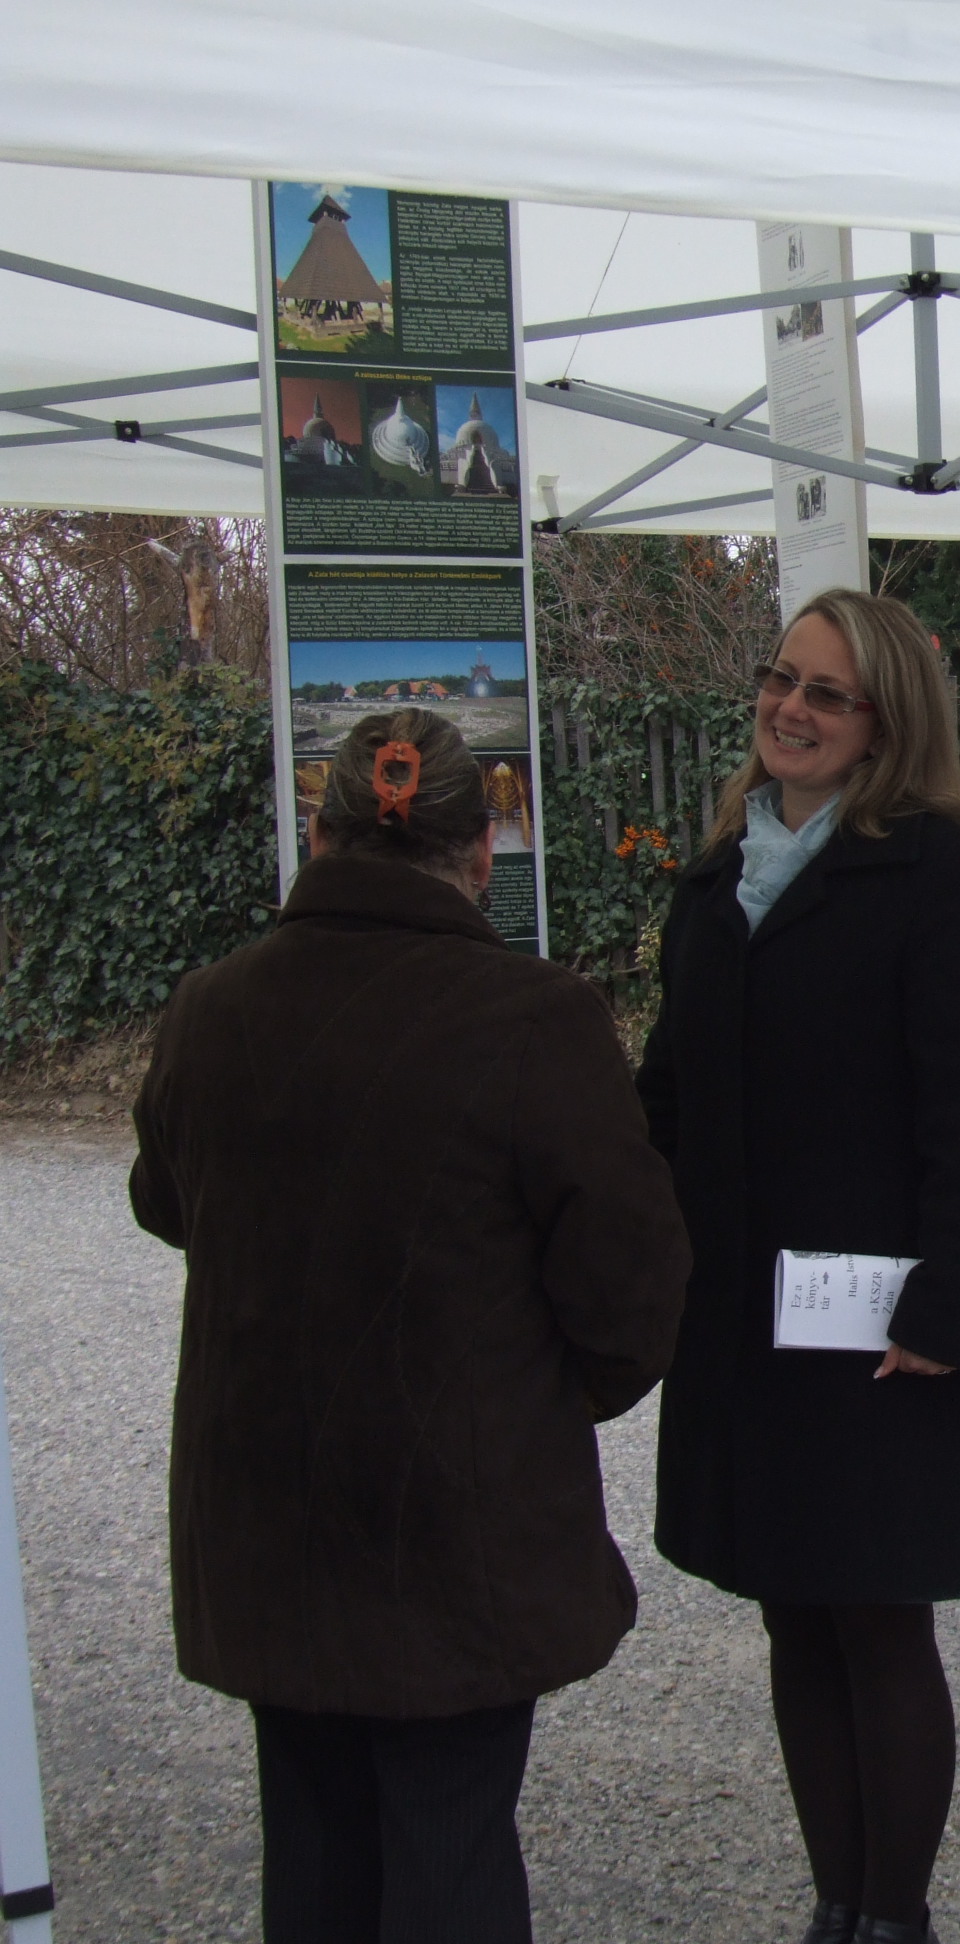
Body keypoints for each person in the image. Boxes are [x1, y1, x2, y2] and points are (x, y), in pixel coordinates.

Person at [128, 709, 691, 1944]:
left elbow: (166, 1202)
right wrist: (540, 1395)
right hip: (455, 1514)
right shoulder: (535, 1017)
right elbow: (632, 1286)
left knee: (313, 1845)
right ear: (483, 850)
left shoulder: (211, 1006)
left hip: (265, 1504)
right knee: (450, 1841)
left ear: (319, 835)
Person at [637, 590, 960, 1944]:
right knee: (793, 1615)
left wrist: (954, 1308)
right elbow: (667, 1098)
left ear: (885, 723)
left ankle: (895, 1917)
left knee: (877, 1619)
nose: (789, 709)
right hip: (740, 1322)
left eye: (826, 692)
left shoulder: (938, 871)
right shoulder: (716, 878)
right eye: (780, 678)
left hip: (879, 1329)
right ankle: (836, 1903)